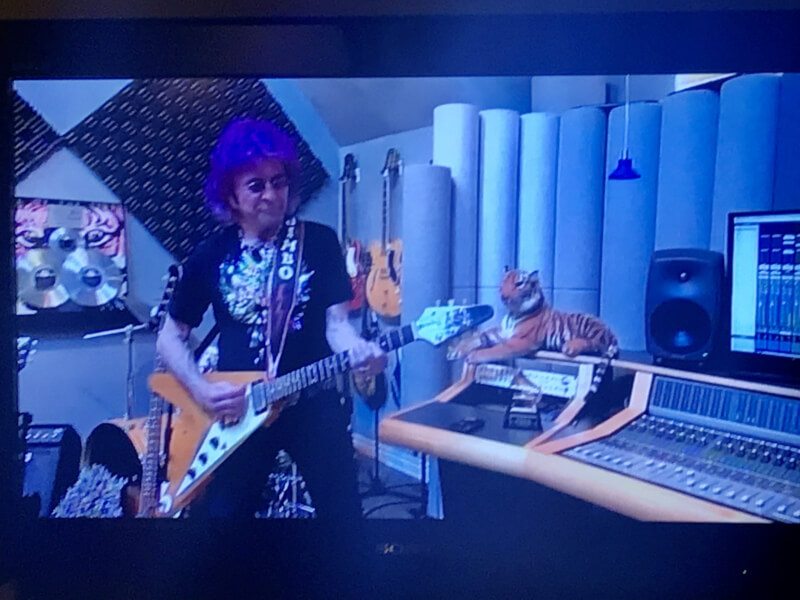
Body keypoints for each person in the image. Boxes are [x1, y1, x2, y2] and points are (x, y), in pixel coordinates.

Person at [157, 117, 385, 519]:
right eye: (256, 185)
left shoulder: (319, 241)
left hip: (313, 404)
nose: (271, 195)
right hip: (238, 412)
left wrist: (359, 352)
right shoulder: (210, 254)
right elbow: (169, 336)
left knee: (344, 520)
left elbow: (337, 326)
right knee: (224, 523)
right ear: (230, 195)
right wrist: (200, 390)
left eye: (278, 182)